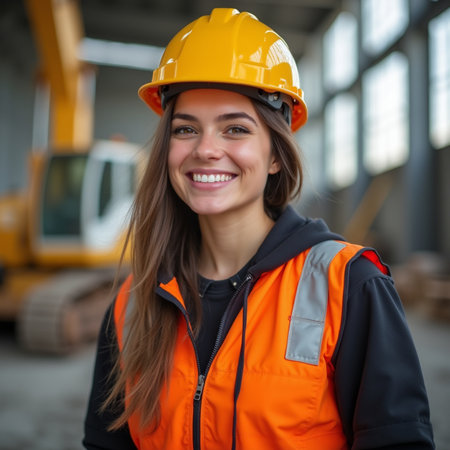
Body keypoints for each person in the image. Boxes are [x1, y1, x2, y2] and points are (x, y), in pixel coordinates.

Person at [83, 8, 435, 450]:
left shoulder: (349, 285)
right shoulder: (132, 305)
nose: (206, 150)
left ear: (275, 155)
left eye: (235, 129)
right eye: (186, 129)